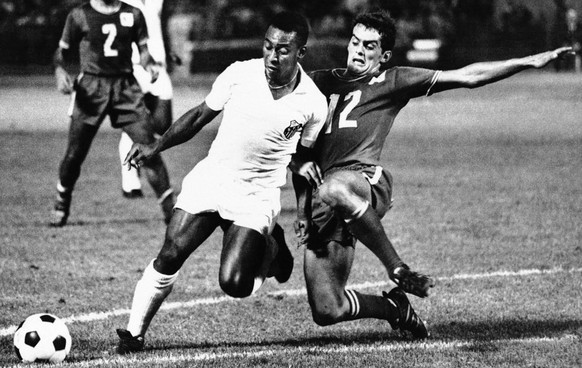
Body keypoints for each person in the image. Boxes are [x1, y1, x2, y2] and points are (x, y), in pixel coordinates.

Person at [291, 10, 572, 339]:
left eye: (369, 46)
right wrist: (301, 211)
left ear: (384, 56)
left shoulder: (393, 80)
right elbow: (299, 152)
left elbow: (468, 76)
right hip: (326, 197)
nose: (358, 51)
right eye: (355, 42)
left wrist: (528, 61)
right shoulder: (318, 82)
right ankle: (396, 309)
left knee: (334, 187)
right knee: (328, 308)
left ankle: (396, 267)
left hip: (363, 180)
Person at [115, 12, 329, 354]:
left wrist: (303, 211)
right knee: (170, 253)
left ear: (300, 52)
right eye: (268, 46)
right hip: (213, 178)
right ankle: (134, 333)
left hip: (256, 195)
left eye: (284, 50)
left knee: (234, 284)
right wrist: (156, 146)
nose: (273, 56)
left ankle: (273, 246)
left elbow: (304, 162)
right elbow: (200, 115)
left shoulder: (314, 104)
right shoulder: (240, 73)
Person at [50, 0, 175, 227]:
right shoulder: (79, 15)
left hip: (126, 88)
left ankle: (171, 214)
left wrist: (150, 66)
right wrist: (59, 70)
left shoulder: (133, 14)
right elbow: (61, 52)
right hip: (91, 88)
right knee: (75, 154)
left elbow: (144, 51)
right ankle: (62, 201)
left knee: (149, 149)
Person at [118, 0, 180, 198]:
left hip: (158, 66)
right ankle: (130, 182)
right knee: (135, 123)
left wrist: (169, 50)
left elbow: (159, 24)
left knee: (162, 124)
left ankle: (134, 147)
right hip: (133, 65)